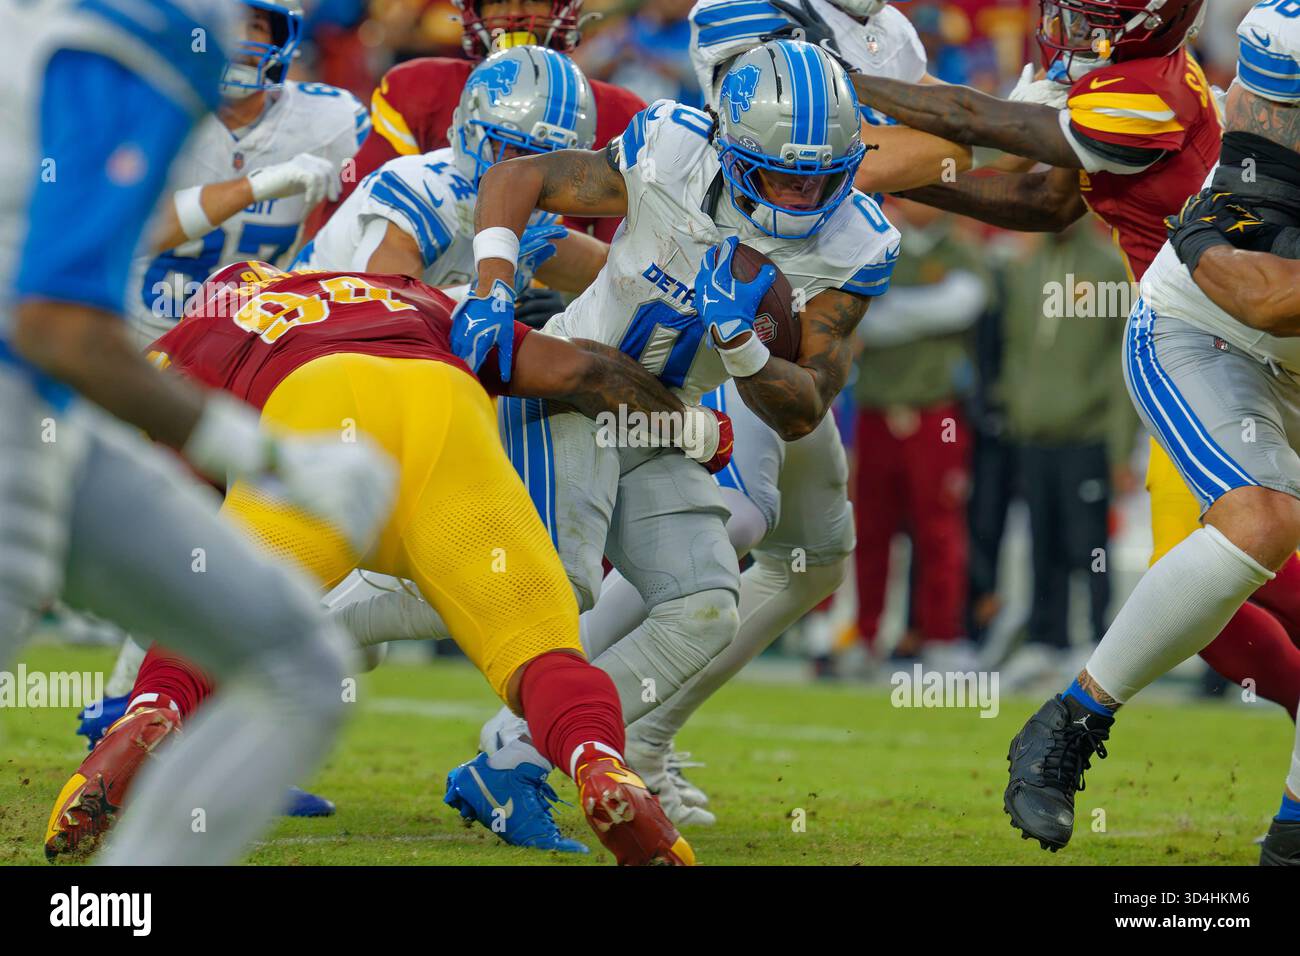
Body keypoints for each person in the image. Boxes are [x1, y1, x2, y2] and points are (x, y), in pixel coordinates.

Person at [50, 260, 733, 864]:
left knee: (210, 613)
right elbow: (579, 370)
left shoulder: (207, 326)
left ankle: (151, 712)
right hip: (443, 425)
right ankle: (599, 762)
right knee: (545, 652)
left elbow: (157, 446)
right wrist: (683, 426)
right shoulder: (410, 299)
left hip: (315, 427)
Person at [440, 38, 899, 848]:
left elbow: (805, 405)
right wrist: (491, 287)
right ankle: (254, 656)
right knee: (557, 590)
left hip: (660, 421)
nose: (799, 193)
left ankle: (520, 757)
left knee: (703, 610)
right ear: (729, 147)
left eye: (818, 176)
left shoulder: (857, 241)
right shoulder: (672, 148)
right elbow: (522, 177)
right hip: (569, 398)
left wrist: (746, 347)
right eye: (780, 172)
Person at [3, 0, 395, 865]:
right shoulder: (131, 29)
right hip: (61, 378)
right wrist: (265, 455)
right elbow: (58, 323)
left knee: (297, 663)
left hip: (80, 397)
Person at [1001, 1, 1300, 862]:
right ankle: (1074, 720)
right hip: (1207, 334)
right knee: (1264, 519)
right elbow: (1263, 300)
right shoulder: (1258, 158)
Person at [128, 0, 369, 347]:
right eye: (228, 22)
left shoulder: (334, 120)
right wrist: (254, 188)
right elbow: (141, 233)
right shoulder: (150, 112)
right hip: (142, 336)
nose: (238, 39)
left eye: (254, 25)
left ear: (281, 39)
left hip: (253, 345)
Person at [314, 0, 647, 246]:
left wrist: (570, 295)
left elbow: (626, 262)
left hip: (557, 309)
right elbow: (354, 217)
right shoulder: (418, 88)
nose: (516, 14)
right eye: (498, 2)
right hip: (427, 286)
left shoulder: (620, 111)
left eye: (533, 0)